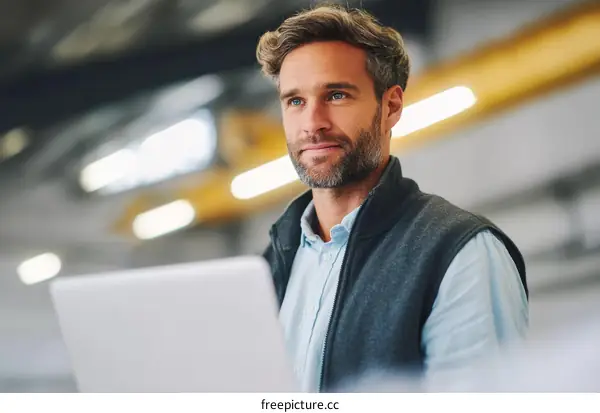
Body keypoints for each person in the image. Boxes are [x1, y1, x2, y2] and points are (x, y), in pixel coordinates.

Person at [256, 4, 529, 393]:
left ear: (391, 106)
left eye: (335, 95)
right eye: (295, 101)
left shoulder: (459, 253)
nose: (313, 123)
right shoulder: (269, 265)